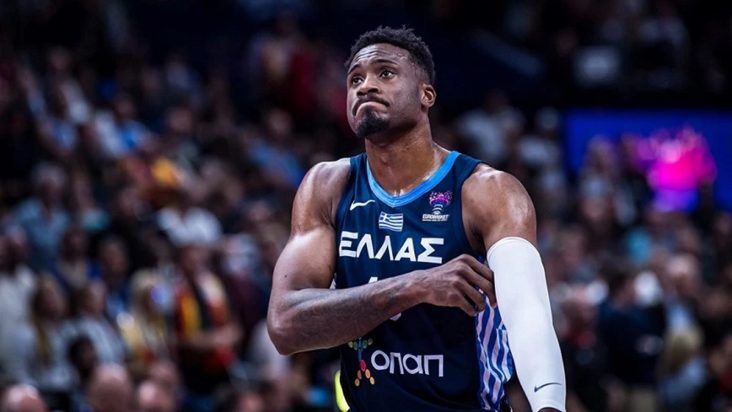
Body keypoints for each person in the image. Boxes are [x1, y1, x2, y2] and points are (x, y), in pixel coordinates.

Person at [267, 26, 565, 411]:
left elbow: (529, 315)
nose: (366, 86)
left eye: (385, 73)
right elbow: (286, 326)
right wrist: (415, 286)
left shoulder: (487, 190)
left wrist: (549, 404)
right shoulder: (328, 185)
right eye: (355, 79)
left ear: (426, 95)